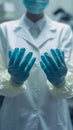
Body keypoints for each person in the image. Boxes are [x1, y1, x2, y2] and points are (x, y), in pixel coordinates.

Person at [0, 0, 73, 130]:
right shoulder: (5, 30)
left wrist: (60, 81)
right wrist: (14, 81)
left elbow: (71, 81)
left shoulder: (64, 31)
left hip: (54, 120)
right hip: (16, 118)